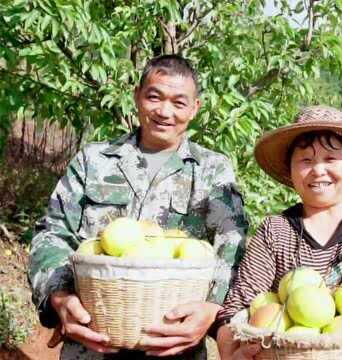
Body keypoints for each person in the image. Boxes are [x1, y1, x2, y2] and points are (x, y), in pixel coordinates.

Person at [28, 55, 248, 359]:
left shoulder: (212, 170)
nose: (164, 111)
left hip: (173, 346)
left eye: (179, 102)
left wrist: (212, 308)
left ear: (195, 108)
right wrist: (59, 296)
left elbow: (233, 243)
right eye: (154, 97)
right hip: (92, 342)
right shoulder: (93, 161)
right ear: (137, 96)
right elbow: (51, 233)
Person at [214, 106, 342, 360]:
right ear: (291, 170)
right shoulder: (276, 230)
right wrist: (231, 353)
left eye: (330, 158)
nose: (318, 170)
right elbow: (236, 306)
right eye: (306, 160)